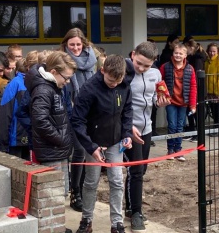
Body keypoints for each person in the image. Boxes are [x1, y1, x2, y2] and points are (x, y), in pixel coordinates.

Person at [72, 55, 133, 233]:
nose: (114, 84)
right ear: (102, 71)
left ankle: (116, 223)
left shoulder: (124, 85)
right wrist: (91, 146)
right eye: (110, 80)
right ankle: (86, 220)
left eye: (118, 80)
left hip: (115, 140)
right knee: (91, 181)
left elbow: (127, 110)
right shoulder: (89, 89)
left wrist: (127, 133)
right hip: (93, 141)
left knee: (116, 180)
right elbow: (77, 120)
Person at [125, 42, 170, 232]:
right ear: (133, 54)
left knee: (141, 170)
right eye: (139, 63)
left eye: (147, 65)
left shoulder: (156, 74)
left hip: (147, 128)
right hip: (130, 129)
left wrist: (160, 103)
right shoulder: (124, 72)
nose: (142, 68)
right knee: (135, 172)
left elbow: (153, 99)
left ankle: (130, 206)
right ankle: (136, 212)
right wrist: (127, 128)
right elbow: (117, 103)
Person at [25, 51, 77, 199]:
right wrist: (61, 139)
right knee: (53, 195)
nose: (67, 82)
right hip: (51, 151)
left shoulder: (54, 87)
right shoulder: (43, 90)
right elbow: (40, 121)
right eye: (66, 78)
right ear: (53, 71)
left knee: (62, 192)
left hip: (58, 149)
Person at [59, 27, 97, 212]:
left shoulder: (92, 60)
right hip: (71, 112)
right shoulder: (60, 60)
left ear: (84, 44)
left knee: (85, 152)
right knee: (78, 150)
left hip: (89, 112)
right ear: (66, 44)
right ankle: (75, 192)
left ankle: (81, 190)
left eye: (78, 44)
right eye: (71, 44)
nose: (75, 48)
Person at [160, 43, 197, 158]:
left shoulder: (190, 69)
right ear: (172, 53)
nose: (178, 55)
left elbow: (193, 87)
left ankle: (178, 150)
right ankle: (170, 149)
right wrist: (161, 97)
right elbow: (159, 83)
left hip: (183, 102)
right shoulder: (165, 67)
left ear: (185, 55)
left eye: (181, 53)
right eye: (176, 53)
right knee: (171, 125)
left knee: (180, 126)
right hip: (170, 101)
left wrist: (192, 105)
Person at [0, 55, 34, 160]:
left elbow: (5, 114)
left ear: (16, 70)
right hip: (27, 135)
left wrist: (3, 143)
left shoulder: (13, 84)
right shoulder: (31, 83)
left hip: (16, 137)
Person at [184, 39, 207, 142]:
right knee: (190, 111)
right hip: (193, 88)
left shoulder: (197, 59)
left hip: (197, 89)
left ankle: (197, 133)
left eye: (186, 48)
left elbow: (196, 76)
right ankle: (192, 131)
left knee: (195, 112)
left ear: (190, 47)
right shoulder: (193, 57)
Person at [205, 43, 219, 137]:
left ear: (218, 51)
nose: (212, 53)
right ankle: (216, 127)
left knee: (218, 110)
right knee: (213, 110)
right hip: (209, 90)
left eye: (214, 51)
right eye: (210, 51)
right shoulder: (207, 62)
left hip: (217, 90)